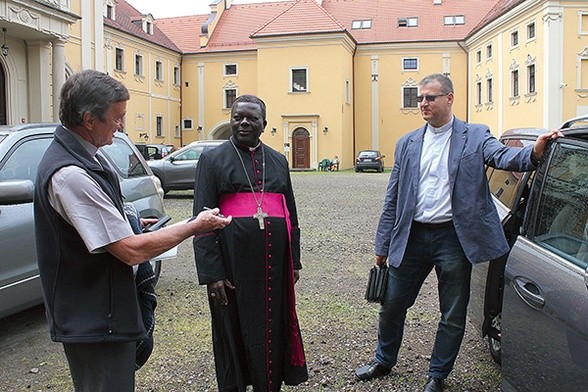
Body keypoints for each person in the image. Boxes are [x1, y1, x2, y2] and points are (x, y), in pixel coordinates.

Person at [354, 74, 562, 392]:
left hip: (453, 237)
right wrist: (382, 242)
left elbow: (502, 157)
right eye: (420, 98)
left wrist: (533, 153)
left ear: (449, 99)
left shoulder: (475, 136)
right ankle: (383, 359)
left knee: (452, 311)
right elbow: (393, 197)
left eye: (430, 97)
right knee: (393, 303)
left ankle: (437, 374)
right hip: (412, 236)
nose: (423, 103)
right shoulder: (407, 143)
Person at [34, 69, 231, 392]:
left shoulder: (87, 157)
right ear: (88, 120)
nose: (121, 125)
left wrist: (135, 225)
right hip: (95, 321)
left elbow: (104, 228)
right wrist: (196, 226)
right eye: (117, 117)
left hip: (101, 315)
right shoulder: (70, 174)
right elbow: (129, 251)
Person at [193, 94, 308, 391]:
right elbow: (202, 220)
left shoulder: (279, 161)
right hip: (232, 266)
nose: (243, 122)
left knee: (272, 326)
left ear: (264, 124)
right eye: (238, 117)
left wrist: (293, 260)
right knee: (233, 330)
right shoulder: (212, 159)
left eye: (251, 118)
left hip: (273, 267)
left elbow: (290, 214)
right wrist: (212, 273)